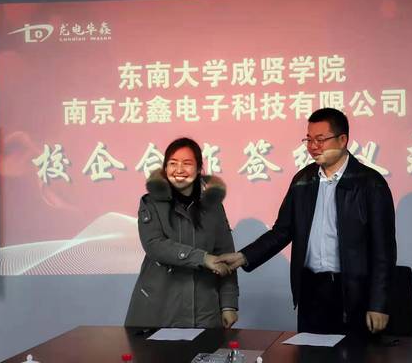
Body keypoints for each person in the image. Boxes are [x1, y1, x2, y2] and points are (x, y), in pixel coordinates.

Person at [218, 108, 396, 335]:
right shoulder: (303, 181)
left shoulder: (370, 183)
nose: (313, 146)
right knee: (309, 350)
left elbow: (384, 250)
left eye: (320, 139)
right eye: (309, 140)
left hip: (353, 293)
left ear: (342, 140)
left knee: (352, 352)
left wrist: (378, 303)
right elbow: (282, 231)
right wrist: (243, 256)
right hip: (311, 290)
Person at [125, 137, 239, 329]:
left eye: (187, 163)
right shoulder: (151, 203)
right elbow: (154, 245)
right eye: (172, 163)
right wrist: (203, 258)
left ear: (199, 168)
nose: (179, 169)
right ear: (165, 168)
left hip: (204, 310)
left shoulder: (213, 206)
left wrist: (229, 304)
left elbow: (226, 256)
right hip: (159, 309)